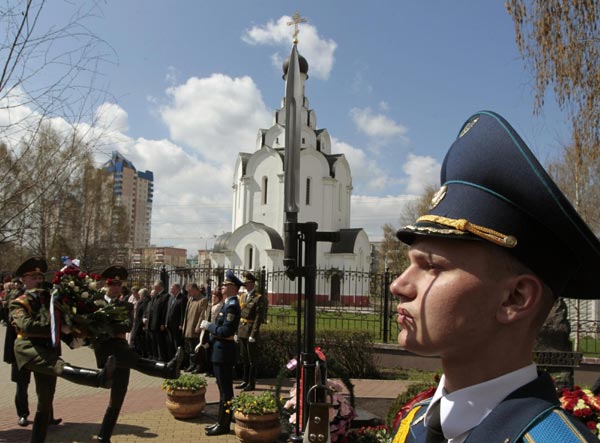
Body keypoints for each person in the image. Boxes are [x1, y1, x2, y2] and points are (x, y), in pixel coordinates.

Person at [390, 111, 600, 443]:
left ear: (515, 298)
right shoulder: (414, 426)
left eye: (432, 266)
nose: (398, 285)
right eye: (409, 264)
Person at [9, 257, 116, 443]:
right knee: (58, 365)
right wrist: (58, 324)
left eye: (40, 276)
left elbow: (63, 320)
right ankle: (98, 378)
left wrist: (77, 329)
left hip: (48, 347)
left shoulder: (51, 300)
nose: (38, 280)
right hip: (27, 347)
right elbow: (27, 325)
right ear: (23, 280)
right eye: (33, 277)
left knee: (45, 401)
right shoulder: (18, 302)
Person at [91, 266, 183, 443]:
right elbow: (92, 326)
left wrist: (107, 324)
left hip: (121, 351)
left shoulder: (125, 305)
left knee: (117, 399)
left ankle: (103, 436)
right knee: (135, 361)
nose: (117, 288)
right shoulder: (95, 303)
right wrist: (107, 326)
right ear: (106, 284)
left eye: (119, 284)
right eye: (113, 284)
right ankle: (167, 369)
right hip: (107, 352)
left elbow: (126, 326)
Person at [198, 270, 241, 436]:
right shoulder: (226, 303)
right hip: (219, 351)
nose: (222, 286)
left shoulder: (232, 306)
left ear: (233, 287)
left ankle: (224, 425)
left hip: (224, 353)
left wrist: (209, 326)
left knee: (225, 391)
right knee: (222, 389)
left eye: (226, 284)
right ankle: (221, 421)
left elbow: (225, 331)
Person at [236, 271, 267, 391]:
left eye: (248, 283)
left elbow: (258, 318)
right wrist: (236, 332)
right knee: (244, 357)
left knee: (251, 359)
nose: (246, 285)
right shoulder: (243, 297)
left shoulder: (258, 298)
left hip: (250, 331)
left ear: (253, 283)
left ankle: (251, 383)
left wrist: (253, 334)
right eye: (245, 283)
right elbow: (239, 314)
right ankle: (245, 380)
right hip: (242, 329)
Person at [181, 283, 209, 373]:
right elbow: (186, 314)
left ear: (195, 289)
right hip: (188, 327)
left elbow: (202, 315)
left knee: (197, 349)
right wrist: (184, 325)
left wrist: (198, 327)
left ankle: (199, 366)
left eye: (190, 291)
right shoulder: (190, 299)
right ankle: (192, 364)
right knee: (190, 348)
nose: (189, 293)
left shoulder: (203, 299)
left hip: (195, 328)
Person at [164, 283, 186, 361]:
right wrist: (166, 322)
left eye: (172, 288)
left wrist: (181, 324)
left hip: (177, 326)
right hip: (169, 325)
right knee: (170, 343)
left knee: (177, 344)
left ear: (177, 289)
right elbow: (168, 311)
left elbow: (183, 312)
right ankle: (171, 359)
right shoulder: (171, 298)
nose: (170, 289)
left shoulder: (182, 298)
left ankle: (178, 360)